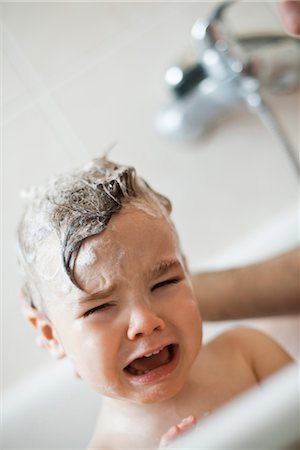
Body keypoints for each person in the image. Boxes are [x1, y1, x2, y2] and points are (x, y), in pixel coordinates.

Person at [18, 157, 293, 449]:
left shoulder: (247, 354)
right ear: (51, 335)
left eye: (164, 283)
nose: (145, 321)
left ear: (186, 272)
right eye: (99, 307)